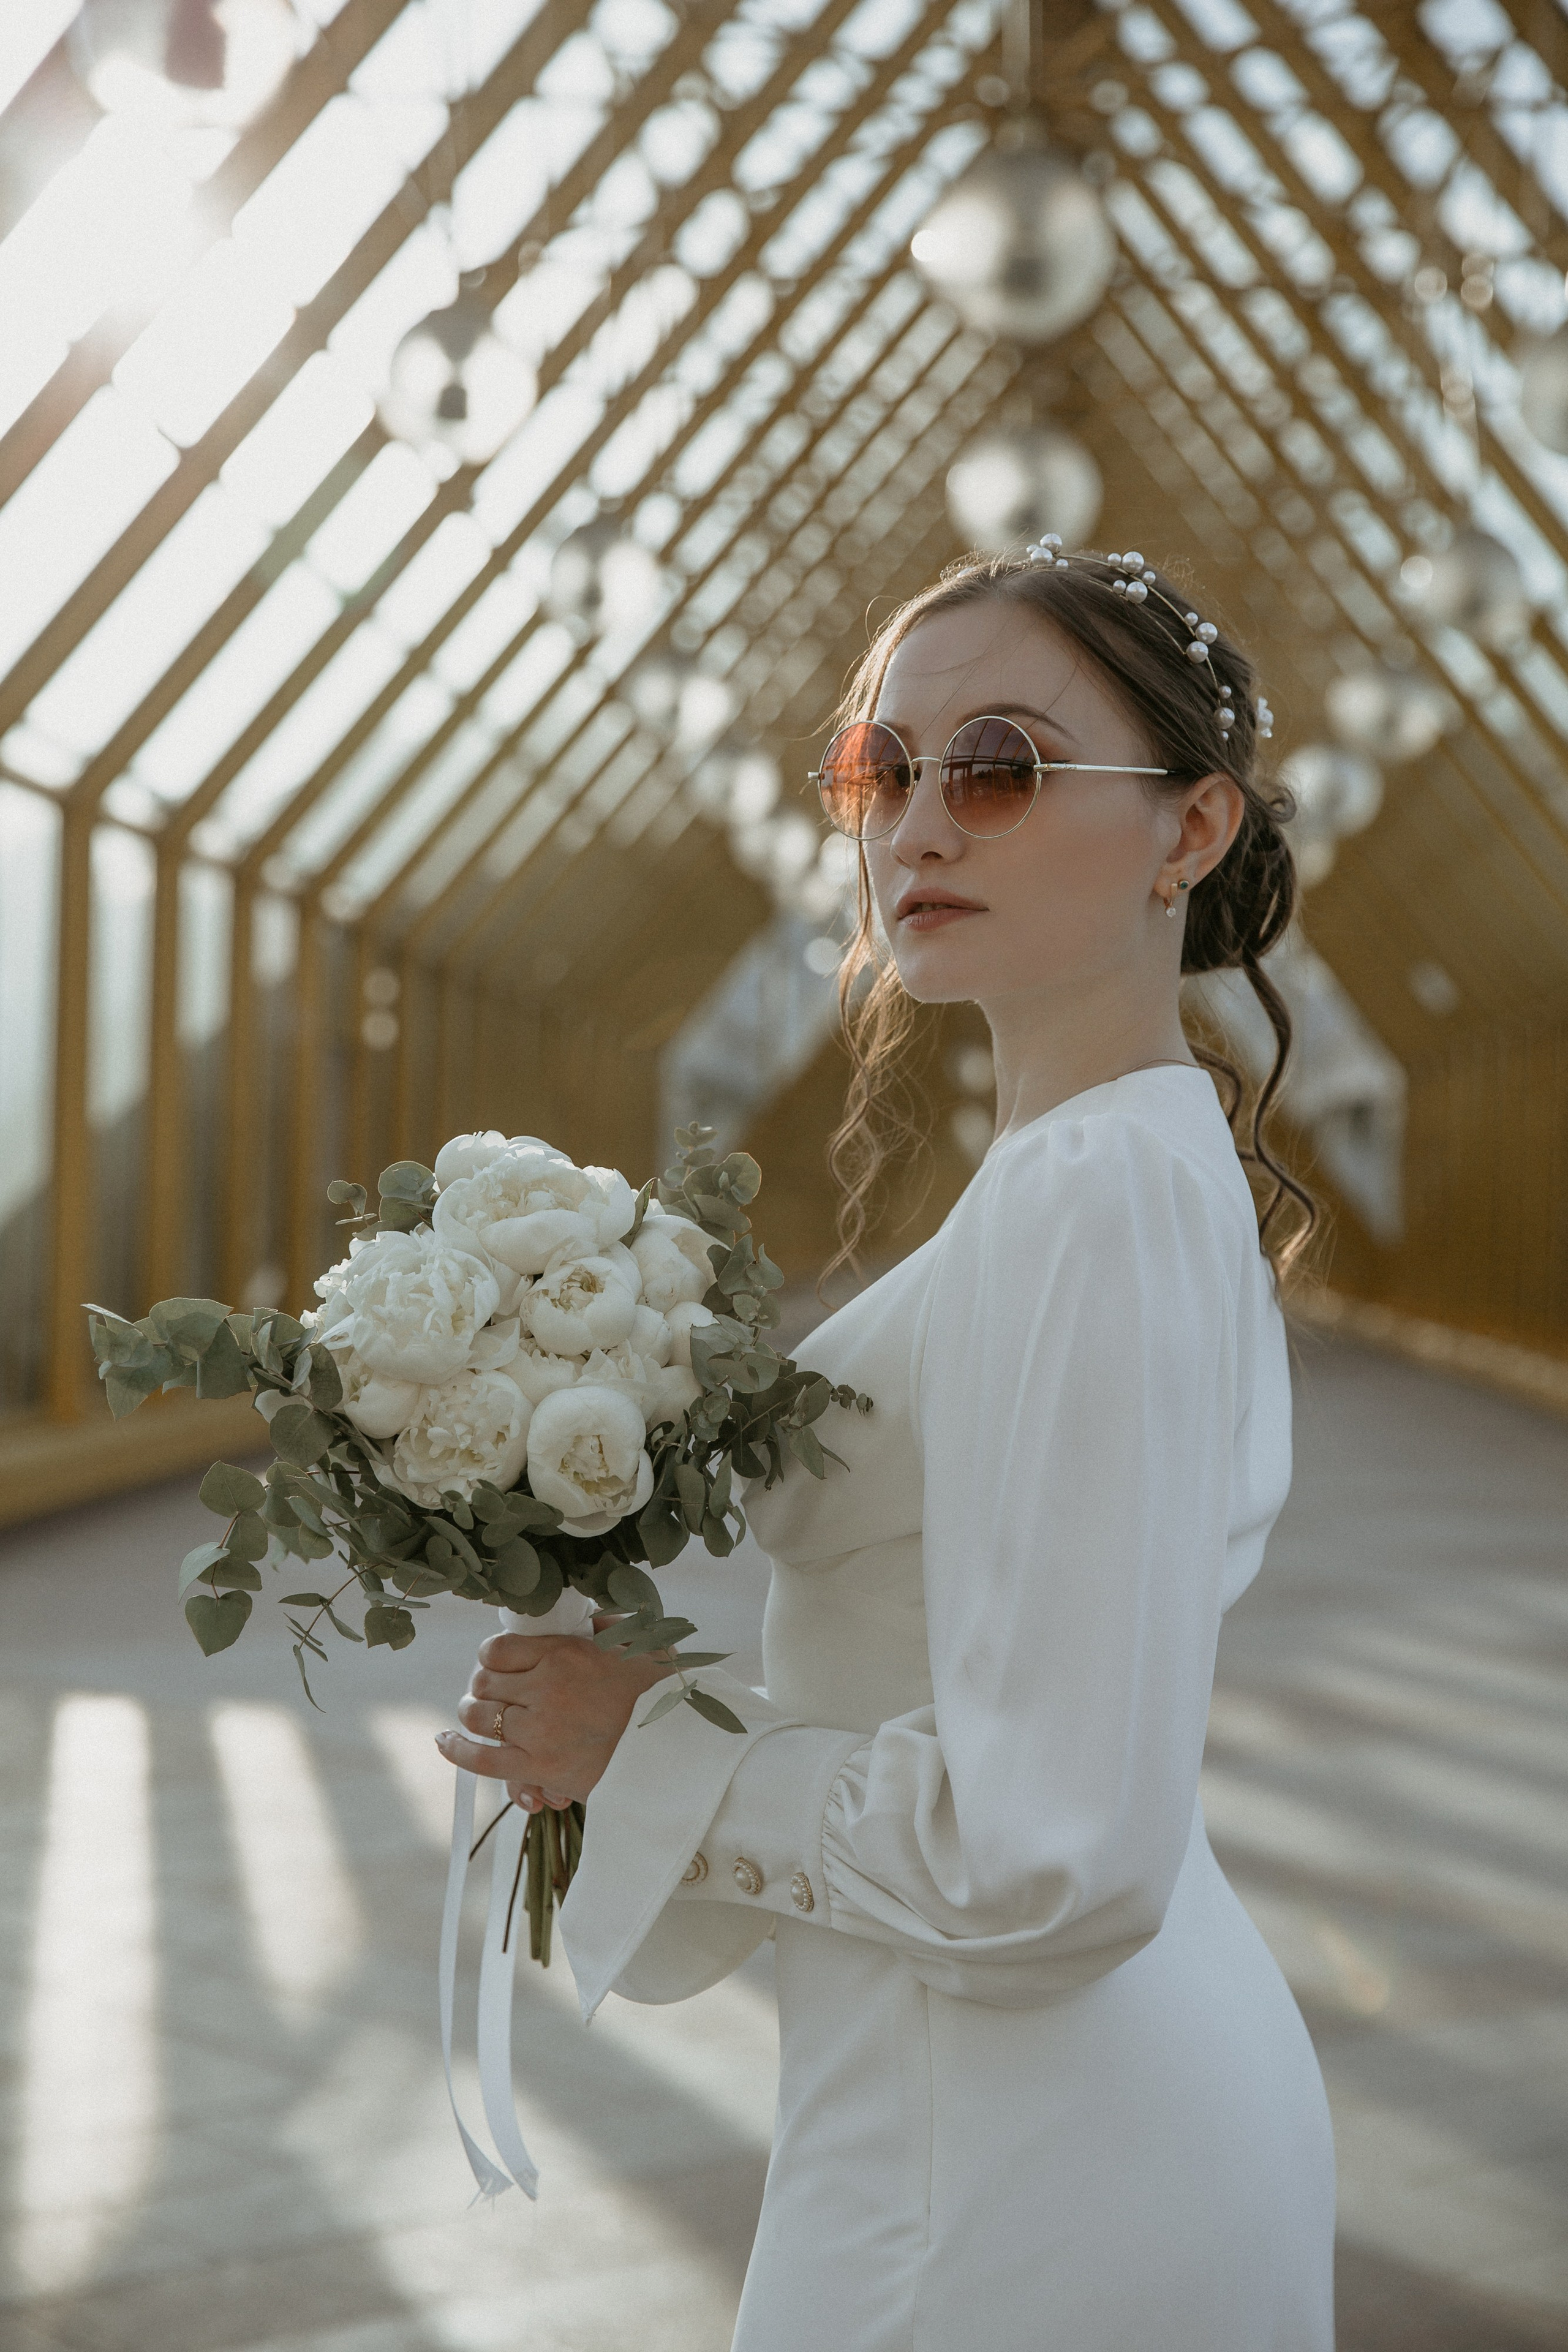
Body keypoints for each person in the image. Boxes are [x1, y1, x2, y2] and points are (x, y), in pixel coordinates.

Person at [436, 544, 1337, 2350]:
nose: (918, 825)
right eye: (881, 769)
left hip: (1013, 2171)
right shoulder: (1092, 1174)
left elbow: (1056, 1856)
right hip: (994, 2101)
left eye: (997, 766)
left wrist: (651, 1747)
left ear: (1192, 827)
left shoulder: (1094, 1198)